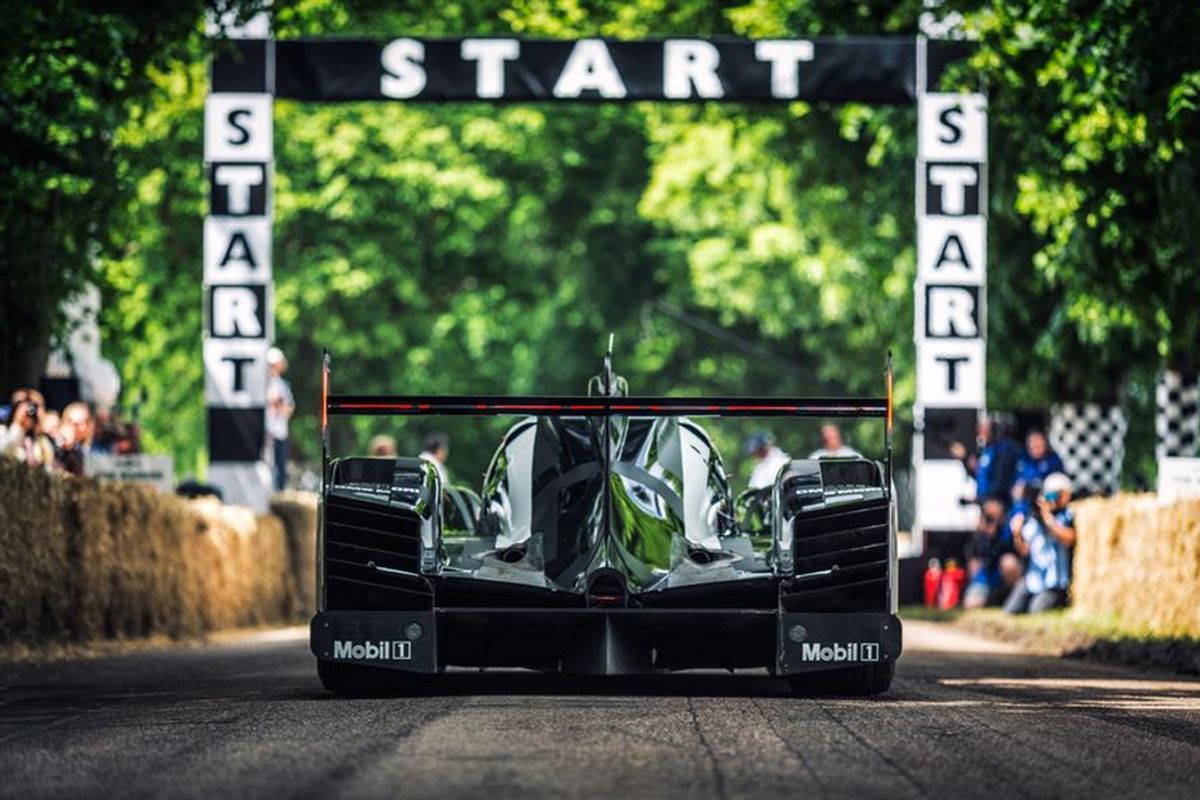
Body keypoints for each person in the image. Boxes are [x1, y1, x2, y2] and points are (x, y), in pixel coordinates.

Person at [1004, 472, 1076, 614]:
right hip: (1033, 579)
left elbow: (1070, 539)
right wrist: (1017, 536)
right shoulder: (1033, 518)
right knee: (1011, 610)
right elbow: (1024, 551)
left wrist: (1047, 518)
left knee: (1036, 610)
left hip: (1054, 582)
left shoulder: (1066, 516)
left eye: (1053, 495)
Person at [962, 496, 1021, 608]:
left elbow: (1011, 549)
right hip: (985, 580)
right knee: (972, 604)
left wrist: (997, 528)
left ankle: (1015, 598)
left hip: (1004, 579)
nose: (992, 519)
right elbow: (975, 558)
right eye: (989, 516)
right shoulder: (980, 533)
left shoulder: (1007, 529)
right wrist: (985, 532)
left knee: (1008, 562)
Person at [950, 417, 1020, 506]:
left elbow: (1001, 482)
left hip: (997, 504)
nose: (980, 434)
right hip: (986, 503)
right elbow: (980, 476)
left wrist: (981, 498)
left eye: (984, 430)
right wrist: (964, 459)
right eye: (979, 431)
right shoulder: (986, 451)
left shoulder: (1003, 450)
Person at [2, 389, 56, 470]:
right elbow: (4, 453)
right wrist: (17, 424)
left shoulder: (42, 441)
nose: (30, 411)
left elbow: (48, 467)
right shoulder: (3, 431)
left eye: (34, 407)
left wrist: (39, 423)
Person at [266, 346, 295, 492]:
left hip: (279, 430)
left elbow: (289, 407)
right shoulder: (261, 384)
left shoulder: (282, 385)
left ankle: (279, 491)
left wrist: (281, 407)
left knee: (280, 465)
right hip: (265, 431)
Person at [55, 402, 95, 476]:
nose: (74, 427)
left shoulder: (90, 450)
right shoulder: (56, 445)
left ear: (88, 426)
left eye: (80, 423)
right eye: (70, 421)